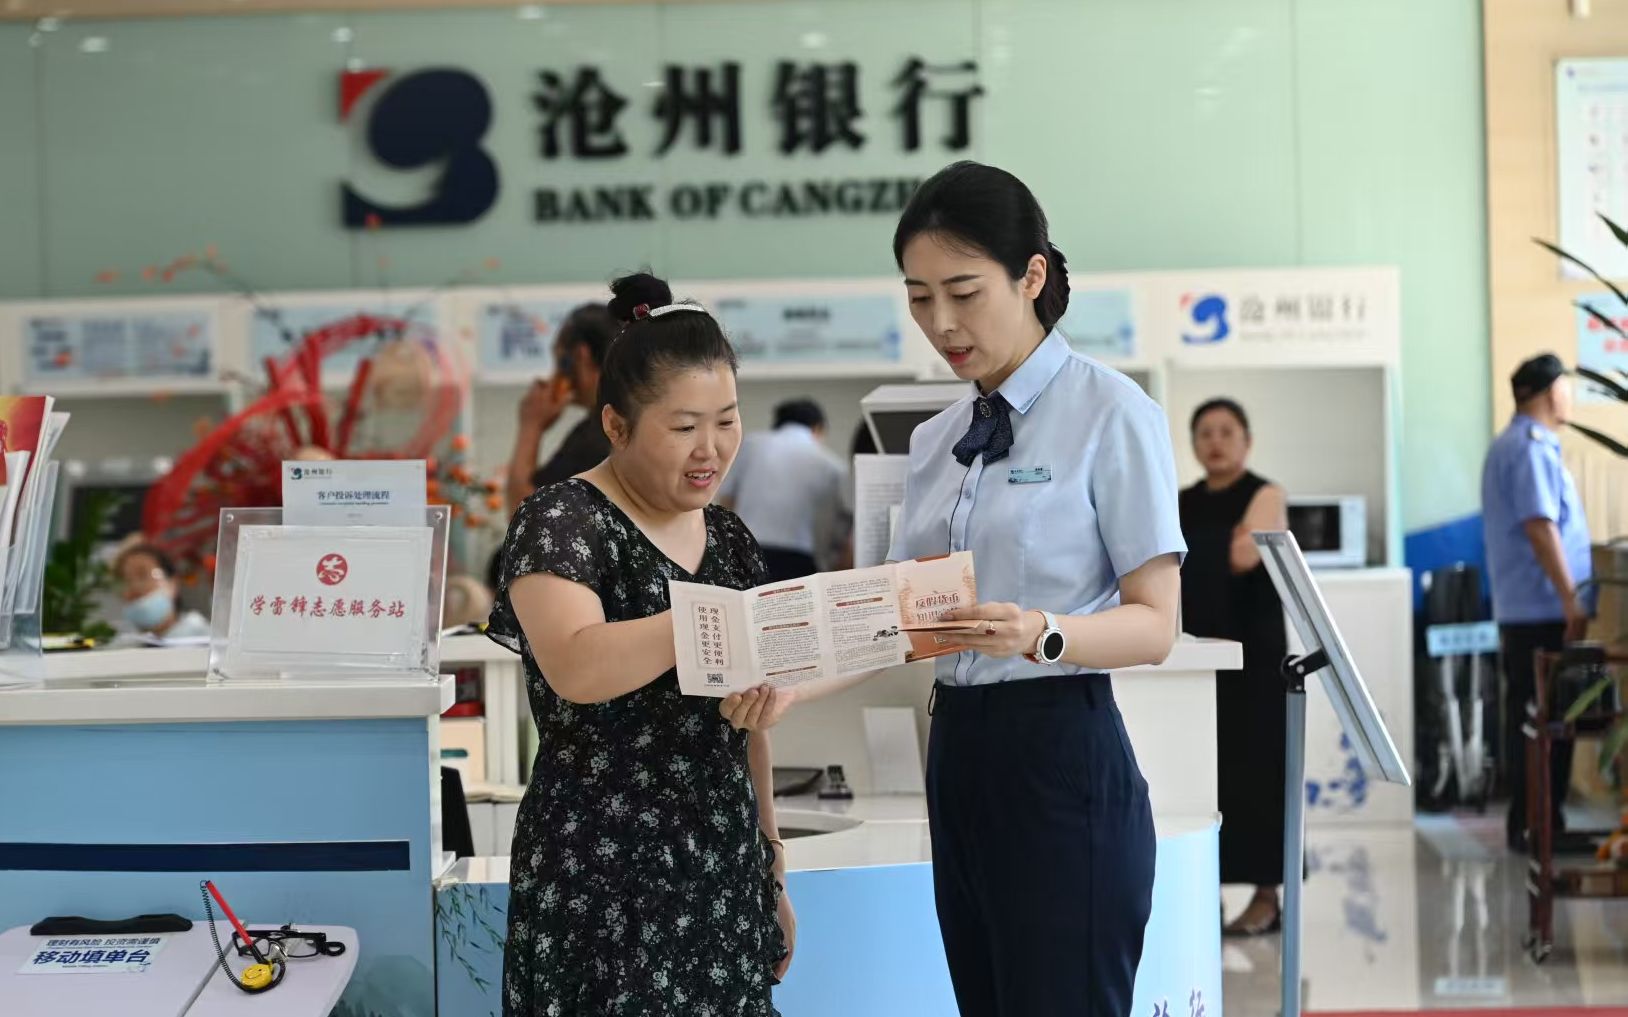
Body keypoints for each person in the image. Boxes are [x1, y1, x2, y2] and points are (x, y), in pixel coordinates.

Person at [885, 161, 1185, 1016]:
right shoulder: (937, 438)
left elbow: (1156, 624)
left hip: (1060, 755)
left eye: (964, 292)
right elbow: (903, 615)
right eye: (919, 298)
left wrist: (1041, 632)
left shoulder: (1111, 413)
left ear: (1032, 275)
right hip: (957, 755)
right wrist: (792, 668)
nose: (941, 323)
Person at [486, 273, 793, 1016]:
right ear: (616, 426)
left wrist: (773, 866)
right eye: (684, 427)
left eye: (727, 421)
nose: (710, 449)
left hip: (721, 865)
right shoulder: (562, 521)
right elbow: (577, 664)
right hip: (598, 873)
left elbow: (748, 726)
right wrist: (718, 621)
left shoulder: (729, 538)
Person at [1178, 398, 1289, 937]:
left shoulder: (1266, 494)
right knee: (1202, 774)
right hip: (1196, 657)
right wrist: (1218, 544)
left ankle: (1268, 895)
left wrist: (1191, 553)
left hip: (1256, 660)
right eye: (1205, 433)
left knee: (1259, 772)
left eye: (1227, 431)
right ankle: (1209, 893)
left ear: (1247, 440)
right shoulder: (1180, 500)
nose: (1216, 442)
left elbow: (1246, 556)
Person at [1482, 352, 1593, 852]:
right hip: (1543, 612)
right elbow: (1541, 528)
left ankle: (1537, 825)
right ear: (1551, 393)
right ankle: (1540, 828)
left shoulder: (1514, 445)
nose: (1569, 397)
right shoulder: (1529, 448)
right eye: (1566, 387)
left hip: (1528, 611)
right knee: (1546, 722)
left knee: (1536, 719)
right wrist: (1572, 601)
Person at [502, 302, 617, 515]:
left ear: (581, 355)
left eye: (559, 359)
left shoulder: (595, 436)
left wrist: (531, 426)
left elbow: (526, 517)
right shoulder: (634, 418)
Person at [718, 398, 847, 581]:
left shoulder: (751, 445)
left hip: (747, 550)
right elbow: (834, 525)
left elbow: (727, 500)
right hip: (800, 559)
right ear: (817, 428)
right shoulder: (832, 465)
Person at [113, 543, 210, 643]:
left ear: (172, 583)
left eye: (143, 575)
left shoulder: (205, 640)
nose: (134, 587)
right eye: (126, 581)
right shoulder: (122, 644)